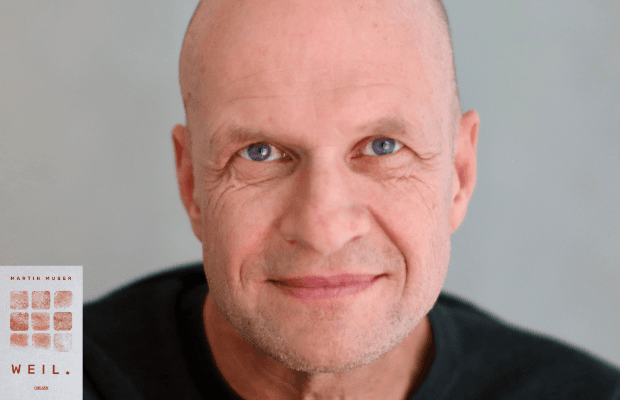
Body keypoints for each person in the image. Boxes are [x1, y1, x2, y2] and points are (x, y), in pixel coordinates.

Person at [83, 0, 620, 398]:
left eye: (383, 147)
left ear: (459, 174)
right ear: (192, 184)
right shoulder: (45, 365)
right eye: (260, 152)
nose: (323, 228)